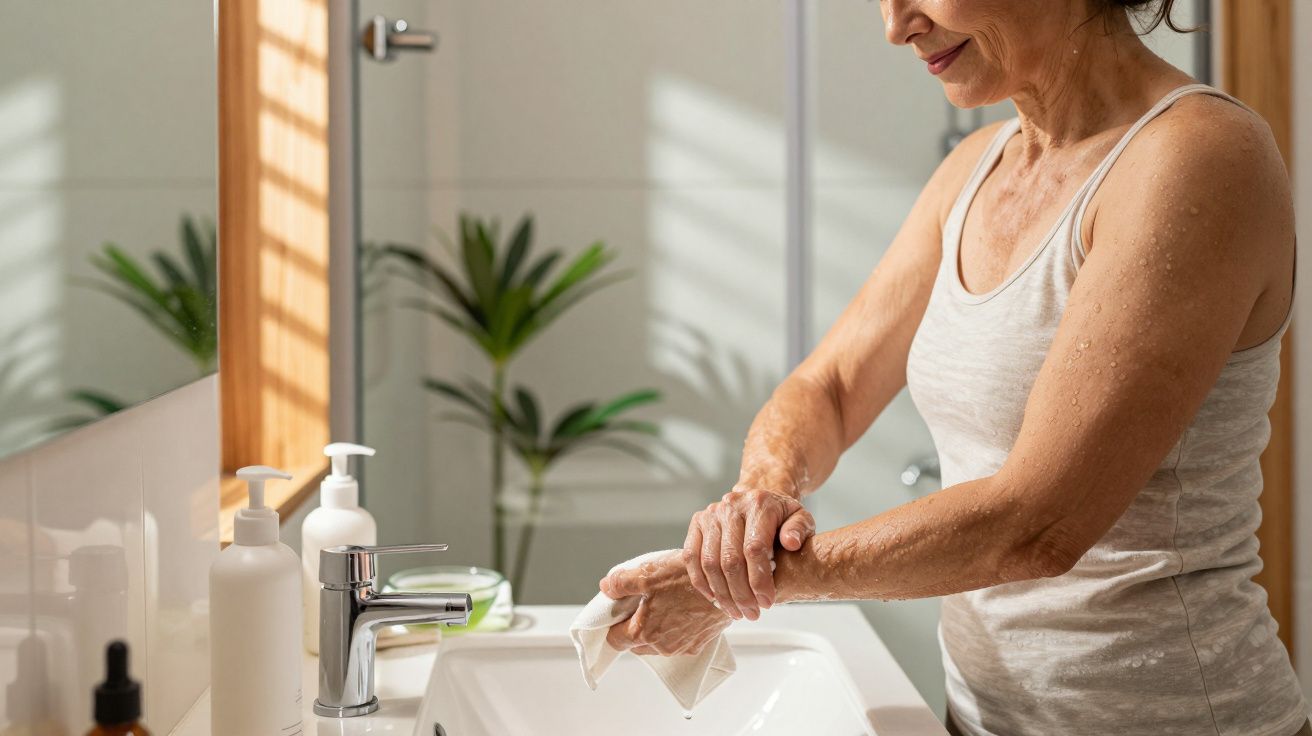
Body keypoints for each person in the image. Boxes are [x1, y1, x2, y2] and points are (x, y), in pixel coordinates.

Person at [598, 1, 1309, 734]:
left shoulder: (1198, 157)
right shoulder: (975, 168)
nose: (896, 24)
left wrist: (749, 583)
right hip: (980, 717)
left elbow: (1037, 524)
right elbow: (832, 387)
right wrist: (758, 500)